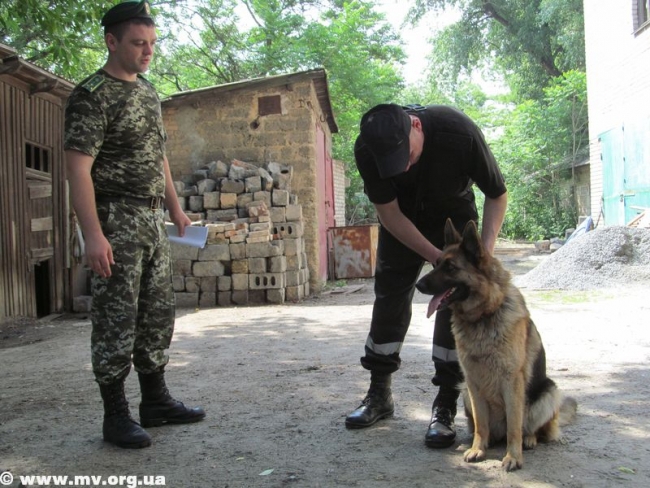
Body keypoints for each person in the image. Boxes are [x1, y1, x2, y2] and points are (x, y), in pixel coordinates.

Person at [64, 0, 205, 449]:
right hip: (115, 218)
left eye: (152, 44)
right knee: (115, 318)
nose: (147, 52)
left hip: (150, 218)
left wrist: (176, 208)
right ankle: (115, 414)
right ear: (112, 41)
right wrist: (93, 235)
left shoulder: (146, 91)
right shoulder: (91, 96)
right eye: (137, 43)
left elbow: (157, 154)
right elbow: (77, 169)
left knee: (157, 314)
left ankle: (156, 401)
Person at [345, 103, 508, 448]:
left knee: (455, 304)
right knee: (389, 296)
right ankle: (379, 394)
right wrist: (434, 257)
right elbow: (389, 214)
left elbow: (497, 194)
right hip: (402, 223)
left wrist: (483, 255)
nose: (402, 166)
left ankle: (445, 404)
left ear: (416, 126)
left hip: (453, 220)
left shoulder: (459, 133)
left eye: (407, 155)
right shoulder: (366, 147)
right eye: (394, 163)